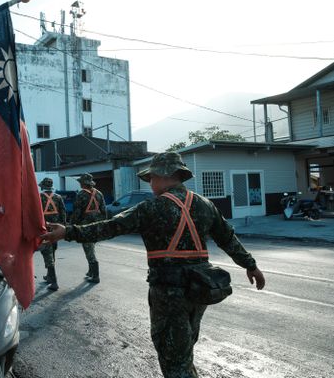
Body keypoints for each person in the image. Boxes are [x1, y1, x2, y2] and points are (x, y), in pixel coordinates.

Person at [40, 152, 266, 377]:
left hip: (169, 295)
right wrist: (250, 265)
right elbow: (227, 238)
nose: (150, 183)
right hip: (199, 290)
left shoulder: (152, 208)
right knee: (184, 352)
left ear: (163, 175)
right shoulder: (205, 205)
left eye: (152, 178)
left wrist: (68, 232)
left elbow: (109, 227)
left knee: (174, 360)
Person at [70, 173, 106, 283]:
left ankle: (95, 276)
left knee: (89, 250)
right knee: (91, 248)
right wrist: (103, 224)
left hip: (85, 226)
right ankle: (91, 272)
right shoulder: (99, 193)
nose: (80, 184)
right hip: (97, 225)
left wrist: (72, 225)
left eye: (80, 182)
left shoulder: (81, 195)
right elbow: (104, 210)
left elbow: (77, 212)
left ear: (83, 183)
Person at [38, 177, 66, 291]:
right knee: (52, 251)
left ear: (43, 186)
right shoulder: (58, 197)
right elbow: (63, 213)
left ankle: (54, 282)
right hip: (56, 229)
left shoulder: (39, 197)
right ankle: (49, 276)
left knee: (47, 253)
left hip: (44, 229)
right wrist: (63, 228)